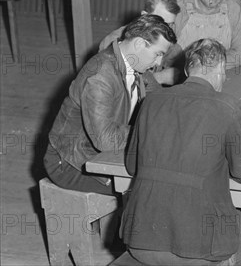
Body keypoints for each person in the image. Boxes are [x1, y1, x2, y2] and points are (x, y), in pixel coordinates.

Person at [121, 38, 241, 266]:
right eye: (224, 73)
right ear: (219, 70)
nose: (224, 78)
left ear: (187, 70)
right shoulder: (228, 107)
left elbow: (131, 165)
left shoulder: (151, 101)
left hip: (141, 241)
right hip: (198, 250)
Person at [44, 15, 176, 195]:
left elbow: (160, 101)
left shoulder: (134, 64)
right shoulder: (100, 75)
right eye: (158, 54)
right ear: (138, 44)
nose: (159, 63)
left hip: (97, 153)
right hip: (70, 162)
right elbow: (105, 139)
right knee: (150, 191)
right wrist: (149, 131)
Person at [98, 0, 179, 51]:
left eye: (170, 24)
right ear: (144, 16)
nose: (166, 29)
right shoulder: (113, 42)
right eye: (161, 23)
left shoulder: (168, 43)